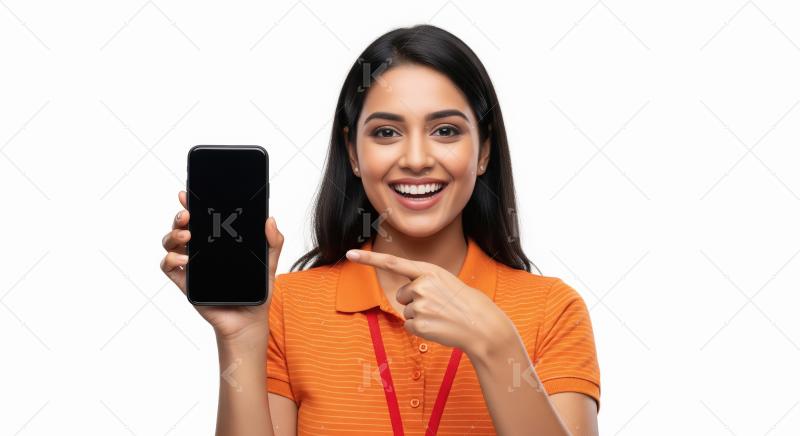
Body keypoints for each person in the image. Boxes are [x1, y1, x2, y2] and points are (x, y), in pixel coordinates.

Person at [161, 24, 600, 436]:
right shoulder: (284, 307)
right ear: (353, 154)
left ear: (483, 151)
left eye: (445, 130)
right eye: (386, 132)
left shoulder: (552, 310)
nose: (415, 158)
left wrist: (495, 343)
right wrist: (240, 336)